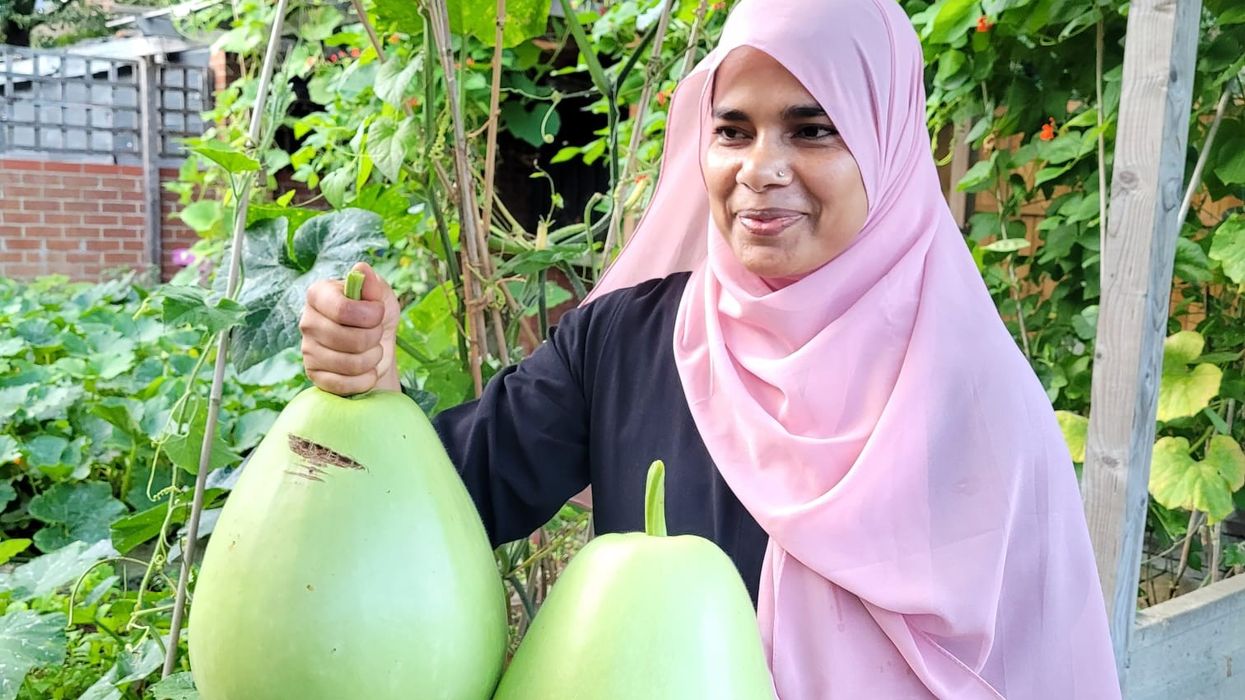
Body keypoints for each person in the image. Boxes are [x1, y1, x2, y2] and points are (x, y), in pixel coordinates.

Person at [298, 0, 1122, 697]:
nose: (760, 169)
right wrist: (372, 387)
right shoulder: (627, 342)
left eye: (811, 130)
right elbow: (448, 497)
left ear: (888, 147)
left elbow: (1033, 662)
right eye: (732, 131)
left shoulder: (966, 393)